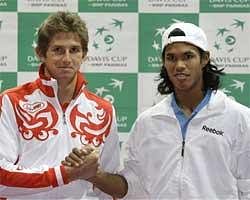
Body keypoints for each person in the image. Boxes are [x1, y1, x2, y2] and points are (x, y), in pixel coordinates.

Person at [63, 22, 250, 199]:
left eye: (188, 56)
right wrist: (94, 175)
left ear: (204, 59)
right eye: (171, 58)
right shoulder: (148, 122)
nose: (179, 65)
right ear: (163, 62)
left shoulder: (239, 118)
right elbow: (131, 187)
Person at [0, 11, 126, 199]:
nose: (67, 59)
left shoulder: (103, 110)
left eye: (74, 50)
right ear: (41, 54)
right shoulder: (12, 101)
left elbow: (114, 190)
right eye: (58, 50)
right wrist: (66, 174)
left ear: (84, 55)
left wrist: (94, 173)